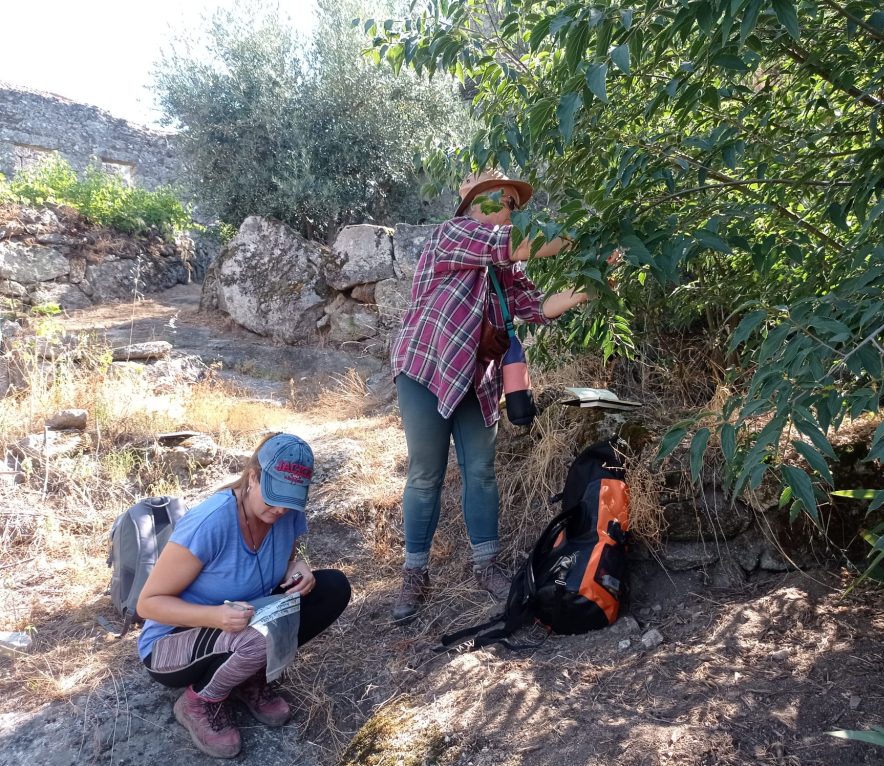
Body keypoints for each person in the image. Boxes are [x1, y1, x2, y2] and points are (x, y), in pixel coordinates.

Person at [389, 168, 595, 623]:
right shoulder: (453, 234)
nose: (508, 207)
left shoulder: (509, 266)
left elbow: (537, 308)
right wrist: (588, 234)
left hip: (477, 378)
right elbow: (515, 244)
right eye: (499, 199)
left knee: (480, 472)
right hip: (426, 368)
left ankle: (487, 564)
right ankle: (415, 573)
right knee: (426, 474)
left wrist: (589, 287)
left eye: (512, 202)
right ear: (473, 204)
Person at [136, 433, 351, 759]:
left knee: (332, 588)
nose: (280, 509)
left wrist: (298, 567)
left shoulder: (286, 512)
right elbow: (148, 603)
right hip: (170, 647)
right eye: (274, 496)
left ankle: (245, 676)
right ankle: (198, 702)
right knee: (255, 638)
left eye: (291, 500)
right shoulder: (210, 522)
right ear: (253, 477)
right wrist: (215, 617)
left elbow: (277, 563)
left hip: (242, 624)